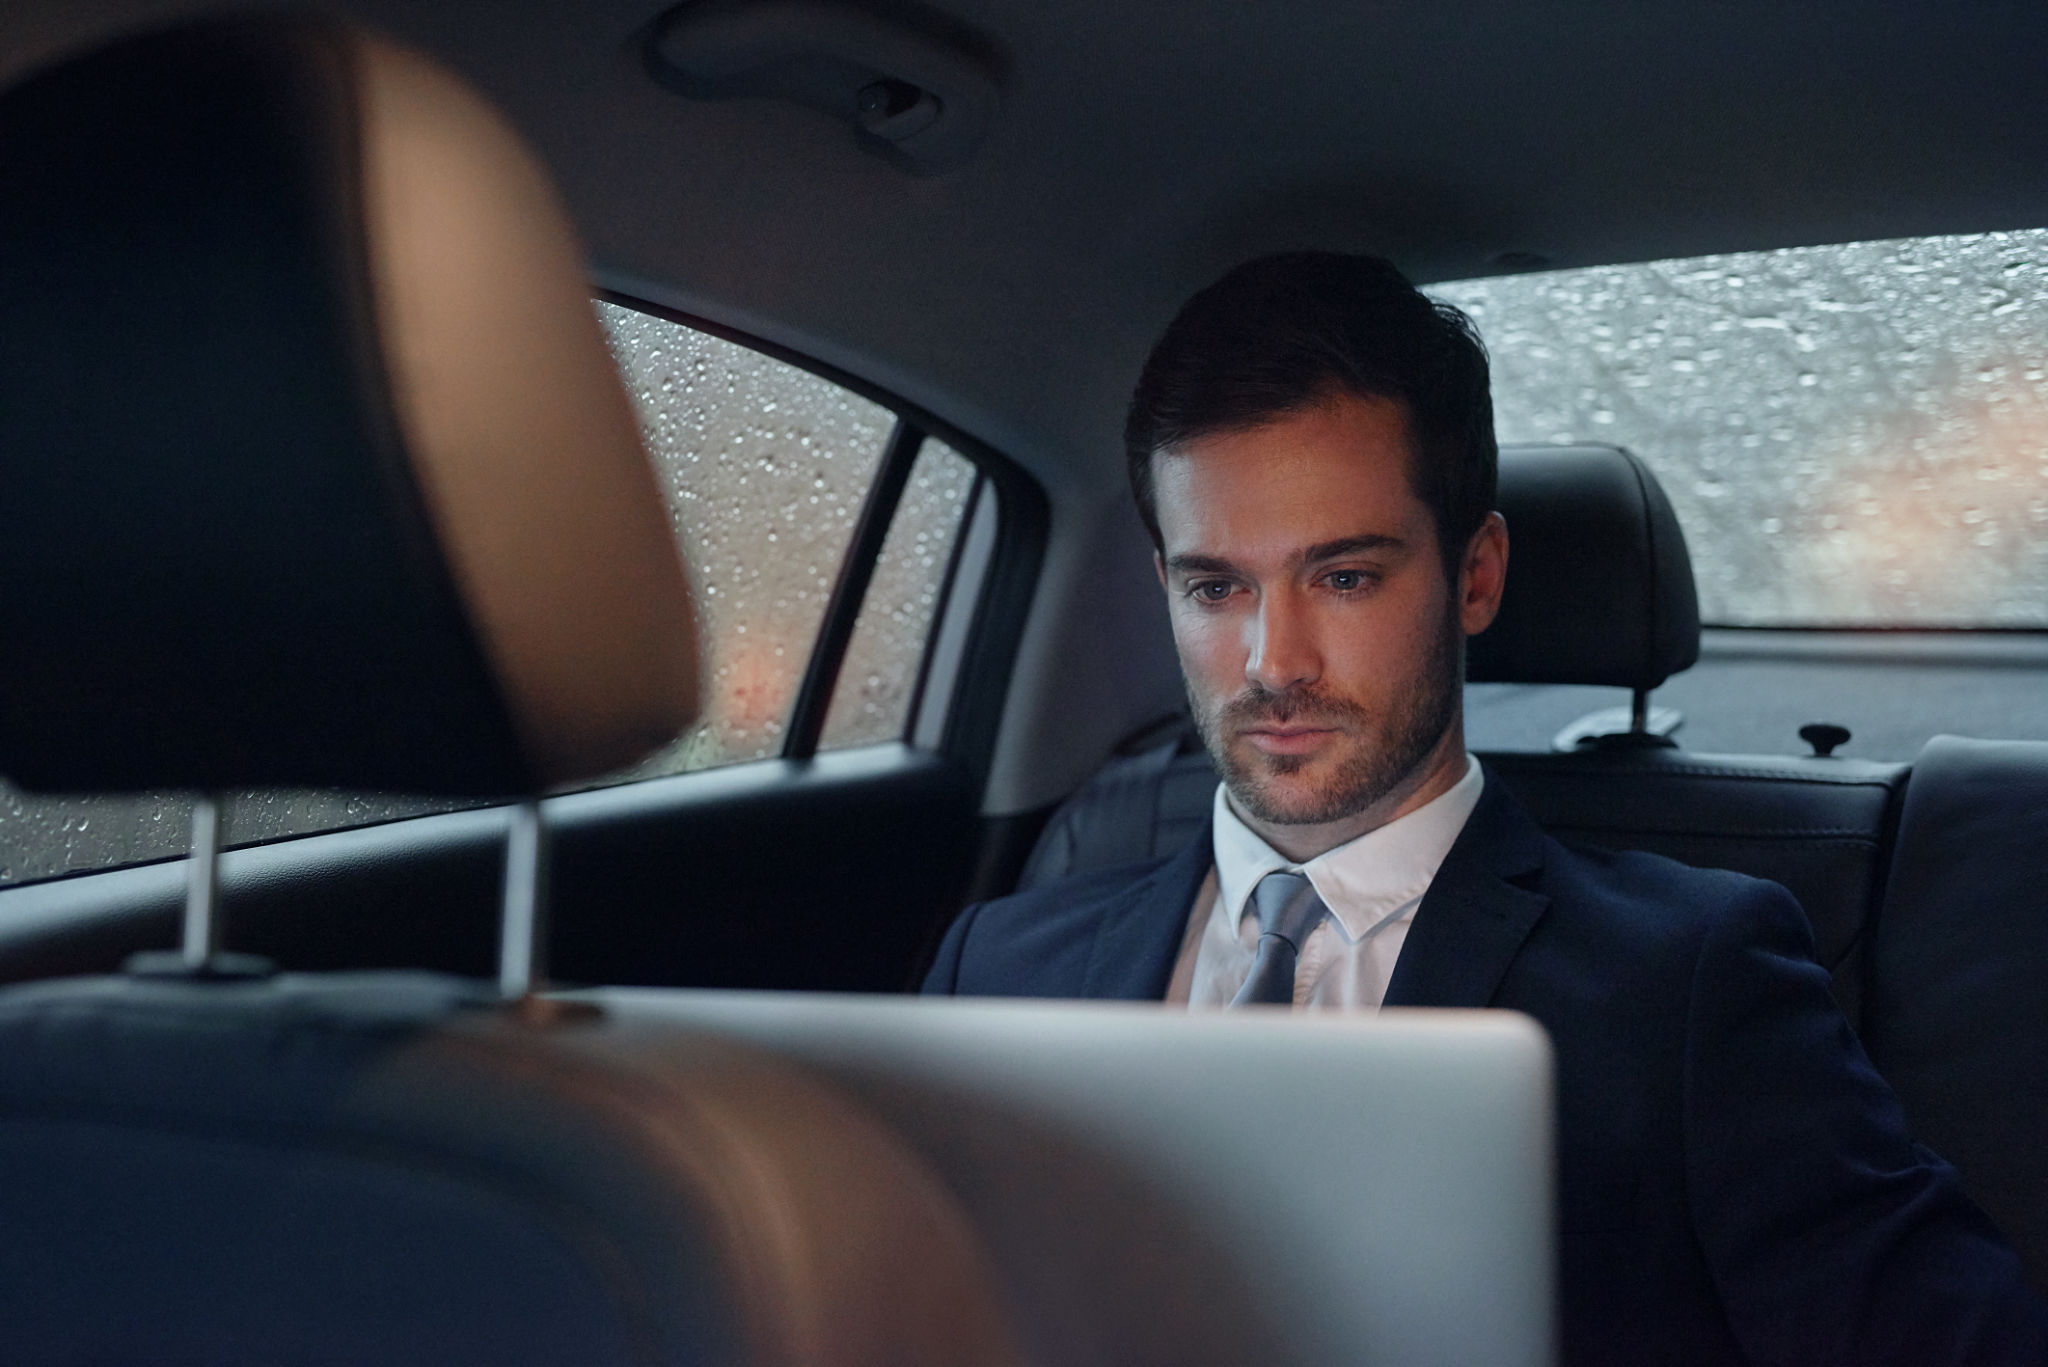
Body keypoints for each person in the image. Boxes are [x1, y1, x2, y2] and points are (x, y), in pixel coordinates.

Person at [922, 252, 2048, 1365]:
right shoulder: (1002, 962)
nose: (1271, 661)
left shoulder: (1692, 980)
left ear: (1474, 576)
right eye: (1216, 586)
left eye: (1344, 575)